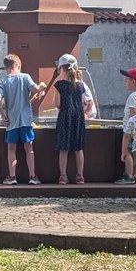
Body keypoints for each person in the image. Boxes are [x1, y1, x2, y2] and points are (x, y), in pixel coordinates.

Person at [0, 53, 44, 184]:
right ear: (17, 65)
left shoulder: (4, 81)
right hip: (26, 120)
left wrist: (3, 116)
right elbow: (36, 89)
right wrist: (41, 87)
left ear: (6, 67)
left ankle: (12, 177)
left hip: (11, 120)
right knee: (29, 148)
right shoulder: (25, 77)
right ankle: (32, 176)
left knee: (11, 148)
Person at [52, 52, 87, 185]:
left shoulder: (59, 84)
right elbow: (83, 102)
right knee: (78, 148)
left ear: (62, 68)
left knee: (63, 148)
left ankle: (63, 176)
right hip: (78, 116)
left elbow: (57, 104)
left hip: (65, 116)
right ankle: (80, 176)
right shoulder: (81, 85)